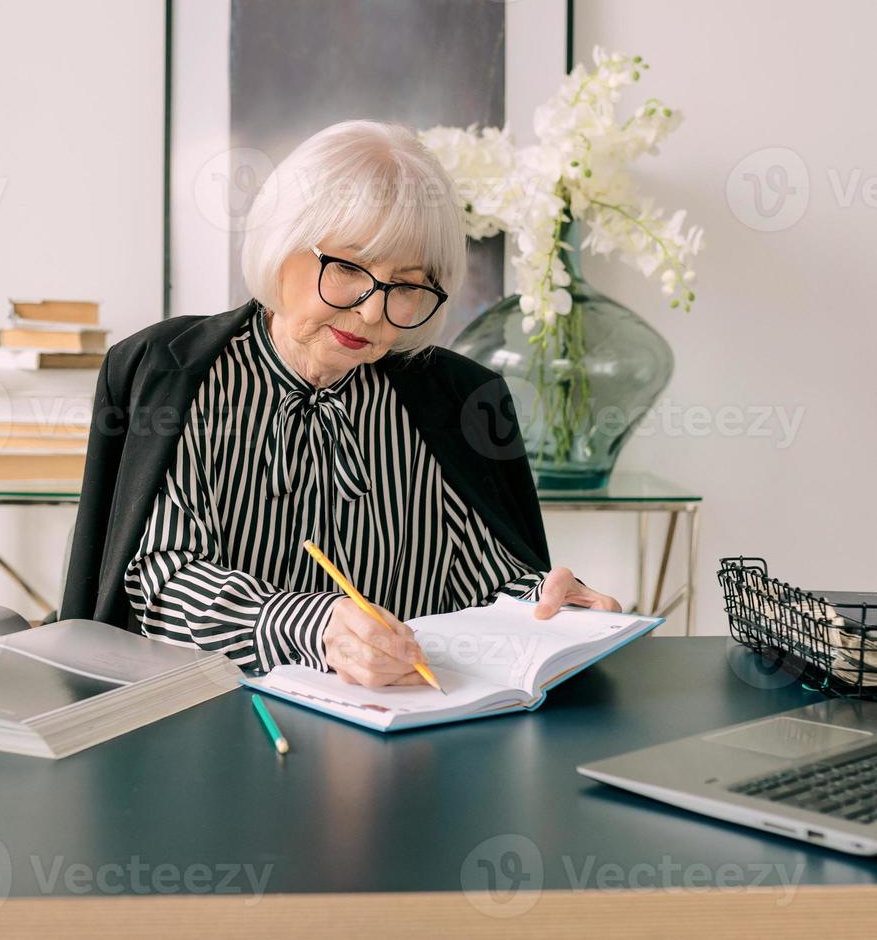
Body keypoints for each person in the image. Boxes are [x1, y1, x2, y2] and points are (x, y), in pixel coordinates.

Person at [61, 119, 621, 687]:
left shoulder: (454, 399)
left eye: (407, 285)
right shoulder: (174, 373)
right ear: (281, 244)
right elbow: (163, 580)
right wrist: (315, 627)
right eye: (350, 268)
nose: (374, 313)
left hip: (407, 727)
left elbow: (484, 576)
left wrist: (548, 606)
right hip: (216, 716)